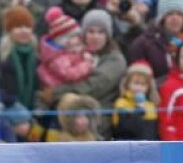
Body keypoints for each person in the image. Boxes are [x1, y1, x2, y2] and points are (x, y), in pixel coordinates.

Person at [48, 9, 126, 137]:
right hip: (69, 116)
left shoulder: (115, 60)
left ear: (108, 36)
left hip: (98, 120)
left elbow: (93, 86)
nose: (95, 36)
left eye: (101, 32)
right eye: (91, 32)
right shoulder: (77, 54)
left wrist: (56, 92)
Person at [126, 0, 183, 80]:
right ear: (162, 18)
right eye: (170, 14)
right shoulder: (144, 44)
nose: (175, 18)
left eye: (179, 14)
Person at [37, 9, 95, 91]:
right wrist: (87, 64)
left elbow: (82, 48)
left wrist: (87, 51)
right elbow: (70, 74)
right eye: (72, 36)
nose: (77, 39)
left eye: (77, 35)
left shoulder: (69, 48)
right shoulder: (57, 58)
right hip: (58, 89)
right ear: (62, 40)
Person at [0, 6, 38, 113]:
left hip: (32, 108)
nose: (24, 31)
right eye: (18, 27)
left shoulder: (36, 52)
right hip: (7, 109)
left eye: (27, 27)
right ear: (9, 30)